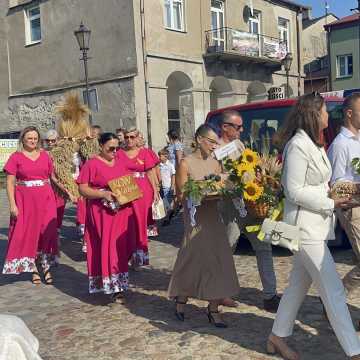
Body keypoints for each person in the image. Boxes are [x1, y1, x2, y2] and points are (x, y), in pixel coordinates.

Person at [267, 93, 360, 360]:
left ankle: (277, 336)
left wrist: (338, 194)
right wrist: (330, 201)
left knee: (297, 287)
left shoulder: (316, 144)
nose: (328, 115)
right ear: (312, 114)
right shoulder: (298, 145)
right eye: (324, 111)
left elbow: (318, 184)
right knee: (333, 291)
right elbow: (293, 191)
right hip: (304, 228)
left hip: (317, 227)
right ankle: (354, 351)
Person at [168, 124, 240, 328]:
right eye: (211, 142)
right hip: (195, 220)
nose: (215, 146)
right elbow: (181, 194)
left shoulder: (217, 163)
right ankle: (181, 298)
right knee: (192, 259)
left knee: (218, 260)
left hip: (213, 218)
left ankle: (213, 308)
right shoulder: (185, 163)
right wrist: (197, 193)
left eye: (217, 143)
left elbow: (224, 184)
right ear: (199, 139)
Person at [216, 110, 279, 311]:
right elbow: (216, 178)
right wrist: (235, 181)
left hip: (252, 206)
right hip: (230, 208)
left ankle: (270, 295)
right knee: (228, 248)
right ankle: (221, 292)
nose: (242, 130)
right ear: (225, 127)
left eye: (242, 126)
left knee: (263, 247)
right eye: (238, 126)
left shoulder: (240, 145)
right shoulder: (215, 149)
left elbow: (250, 167)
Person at [78, 133, 135, 302]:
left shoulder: (120, 161)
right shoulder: (92, 164)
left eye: (117, 148)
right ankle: (113, 286)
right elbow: (82, 189)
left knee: (121, 246)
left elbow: (127, 181)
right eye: (111, 148)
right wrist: (102, 194)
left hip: (122, 211)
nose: (115, 151)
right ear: (101, 146)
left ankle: (119, 282)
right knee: (108, 246)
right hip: (101, 212)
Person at [2, 126, 58, 285]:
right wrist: (13, 205)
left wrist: (68, 190)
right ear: (23, 140)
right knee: (30, 233)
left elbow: (52, 177)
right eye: (29, 138)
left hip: (46, 199)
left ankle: (46, 265)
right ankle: (33, 267)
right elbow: (10, 182)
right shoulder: (16, 157)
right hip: (25, 201)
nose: (33, 141)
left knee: (47, 232)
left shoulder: (45, 155)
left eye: (35, 138)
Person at [50, 92, 99, 253]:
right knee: (57, 207)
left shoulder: (85, 147)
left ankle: (86, 237)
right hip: (65, 181)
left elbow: (92, 158)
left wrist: (88, 141)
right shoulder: (60, 149)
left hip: (80, 180)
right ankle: (54, 234)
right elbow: (57, 168)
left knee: (85, 207)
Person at [328, 93, 360, 296]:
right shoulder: (340, 145)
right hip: (353, 209)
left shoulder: (357, 139)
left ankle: (334, 299)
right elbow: (336, 187)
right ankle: (335, 299)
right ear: (349, 113)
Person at [116, 127, 159, 267]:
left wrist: (156, 191)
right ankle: (128, 253)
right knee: (126, 223)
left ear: (137, 138)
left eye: (132, 137)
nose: (129, 140)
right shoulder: (119, 154)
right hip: (125, 189)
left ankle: (139, 256)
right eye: (127, 137)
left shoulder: (144, 153)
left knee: (140, 223)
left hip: (143, 191)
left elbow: (151, 173)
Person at [158, 148, 176, 226]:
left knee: (166, 203)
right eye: (159, 155)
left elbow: (173, 176)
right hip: (160, 186)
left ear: (166, 156)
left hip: (167, 186)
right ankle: (165, 216)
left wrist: (172, 186)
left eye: (160, 156)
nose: (159, 157)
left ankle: (167, 218)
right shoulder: (159, 165)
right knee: (162, 203)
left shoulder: (170, 165)